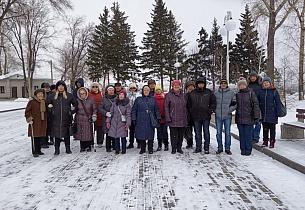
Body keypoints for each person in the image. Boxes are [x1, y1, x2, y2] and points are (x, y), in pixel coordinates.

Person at [47, 80, 78, 155]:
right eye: (59, 86)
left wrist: (71, 111)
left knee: (66, 134)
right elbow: (48, 104)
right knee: (57, 135)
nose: (61, 88)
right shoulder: (52, 96)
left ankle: (68, 149)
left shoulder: (69, 96)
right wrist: (51, 110)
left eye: (62, 86)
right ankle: (56, 150)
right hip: (55, 119)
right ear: (57, 87)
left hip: (66, 118)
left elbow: (75, 104)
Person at [187, 77, 216, 154]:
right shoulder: (193, 92)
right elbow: (189, 104)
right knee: (197, 133)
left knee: (206, 132)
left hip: (206, 116)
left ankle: (206, 147)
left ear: (204, 84)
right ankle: (198, 147)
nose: (200, 85)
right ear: (197, 84)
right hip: (196, 116)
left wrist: (210, 111)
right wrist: (192, 111)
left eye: (202, 83)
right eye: (199, 83)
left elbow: (213, 102)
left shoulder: (208, 92)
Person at [132, 85, 161, 154]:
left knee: (150, 134)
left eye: (147, 90)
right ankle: (143, 148)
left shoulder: (153, 99)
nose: (146, 91)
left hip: (150, 119)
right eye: (145, 90)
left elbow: (156, 109)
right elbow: (134, 110)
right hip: (140, 119)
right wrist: (134, 119)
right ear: (142, 91)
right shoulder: (138, 99)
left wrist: (158, 117)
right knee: (141, 135)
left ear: (149, 91)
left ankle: (150, 148)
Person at [235, 78, 260, 156]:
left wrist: (256, 116)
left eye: (243, 85)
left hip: (249, 117)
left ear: (245, 85)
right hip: (240, 118)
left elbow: (255, 104)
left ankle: (248, 149)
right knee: (241, 135)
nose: (242, 86)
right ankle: (243, 149)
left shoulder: (251, 93)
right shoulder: (237, 94)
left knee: (248, 135)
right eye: (240, 85)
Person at [257, 77, 282, 148]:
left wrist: (278, 112)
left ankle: (272, 141)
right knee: (265, 128)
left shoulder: (274, 91)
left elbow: (278, 102)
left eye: (267, 83)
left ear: (270, 83)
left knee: (272, 128)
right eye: (264, 83)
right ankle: (265, 141)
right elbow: (257, 102)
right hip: (263, 113)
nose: (266, 84)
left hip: (272, 113)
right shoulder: (260, 92)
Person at [214, 78, 237, 155]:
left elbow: (235, 104)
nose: (223, 84)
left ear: (227, 84)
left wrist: (228, 110)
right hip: (218, 116)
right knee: (218, 133)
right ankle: (220, 148)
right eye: (222, 83)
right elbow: (212, 104)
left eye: (225, 83)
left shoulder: (231, 93)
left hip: (227, 116)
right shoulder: (216, 94)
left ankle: (227, 148)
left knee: (227, 133)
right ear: (220, 84)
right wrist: (215, 111)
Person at [164, 80, 188, 154]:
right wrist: (168, 117)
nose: (176, 86)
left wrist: (186, 115)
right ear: (172, 86)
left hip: (182, 118)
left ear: (180, 86)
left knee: (181, 135)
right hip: (173, 118)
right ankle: (174, 148)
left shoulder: (183, 95)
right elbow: (166, 107)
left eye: (178, 85)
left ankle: (179, 148)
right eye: (175, 85)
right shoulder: (169, 95)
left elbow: (186, 106)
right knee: (173, 135)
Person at [25, 89, 47, 157]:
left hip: (42, 121)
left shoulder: (44, 101)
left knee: (40, 136)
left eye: (41, 93)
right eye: (38, 94)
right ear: (36, 95)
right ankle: (34, 151)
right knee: (34, 137)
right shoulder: (32, 102)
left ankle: (39, 150)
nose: (40, 95)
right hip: (34, 122)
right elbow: (27, 112)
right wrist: (29, 119)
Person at [74, 87, 97, 152]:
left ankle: (88, 146)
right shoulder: (77, 101)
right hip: (79, 119)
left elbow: (94, 108)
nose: (82, 95)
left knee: (88, 133)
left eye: (84, 93)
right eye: (81, 94)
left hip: (88, 118)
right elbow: (75, 108)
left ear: (86, 93)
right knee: (81, 133)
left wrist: (94, 115)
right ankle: (82, 147)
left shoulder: (91, 100)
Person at [98, 85, 116, 152]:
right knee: (108, 132)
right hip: (107, 118)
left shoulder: (117, 98)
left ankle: (115, 145)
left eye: (112, 90)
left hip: (115, 118)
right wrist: (106, 113)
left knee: (115, 131)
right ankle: (108, 147)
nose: (111, 92)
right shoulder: (104, 99)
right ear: (107, 91)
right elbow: (100, 108)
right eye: (109, 90)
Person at [247, 72, 262, 144]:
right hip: (249, 107)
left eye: (254, 77)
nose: (252, 78)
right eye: (251, 77)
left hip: (258, 106)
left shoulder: (260, 85)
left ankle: (256, 137)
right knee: (250, 123)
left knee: (258, 123)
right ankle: (251, 136)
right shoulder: (248, 85)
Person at [88, 82, 104, 147]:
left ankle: (100, 141)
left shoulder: (102, 94)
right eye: (93, 87)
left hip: (100, 113)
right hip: (91, 113)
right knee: (91, 128)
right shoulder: (88, 94)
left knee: (100, 128)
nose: (95, 88)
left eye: (96, 87)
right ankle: (91, 141)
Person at [154, 86, 169, 151]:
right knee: (159, 132)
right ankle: (159, 145)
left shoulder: (165, 97)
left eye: (159, 90)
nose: (158, 91)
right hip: (157, 117)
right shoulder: (154, 98)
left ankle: (166, 144)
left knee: (165, 131)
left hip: (164, 117)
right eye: (156, 90)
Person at [127, 83, 141, 149]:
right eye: (131, 88)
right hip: (129, 114)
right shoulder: (127, 96)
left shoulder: (139, 95)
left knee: (137, 129)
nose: (132, 89)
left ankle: (139, 142)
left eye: (134, 88)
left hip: (137, 114)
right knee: (131, 129)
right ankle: (131, 142)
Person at [184, 81, 195, 149]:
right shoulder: (184, 96)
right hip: (187, 115)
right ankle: (189, 143)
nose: (190, 88)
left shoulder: (197, 95)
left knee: (197, 131)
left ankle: (199, 144)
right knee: (188, 130)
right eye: (188, 87)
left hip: (196, 115)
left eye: (192, 86)